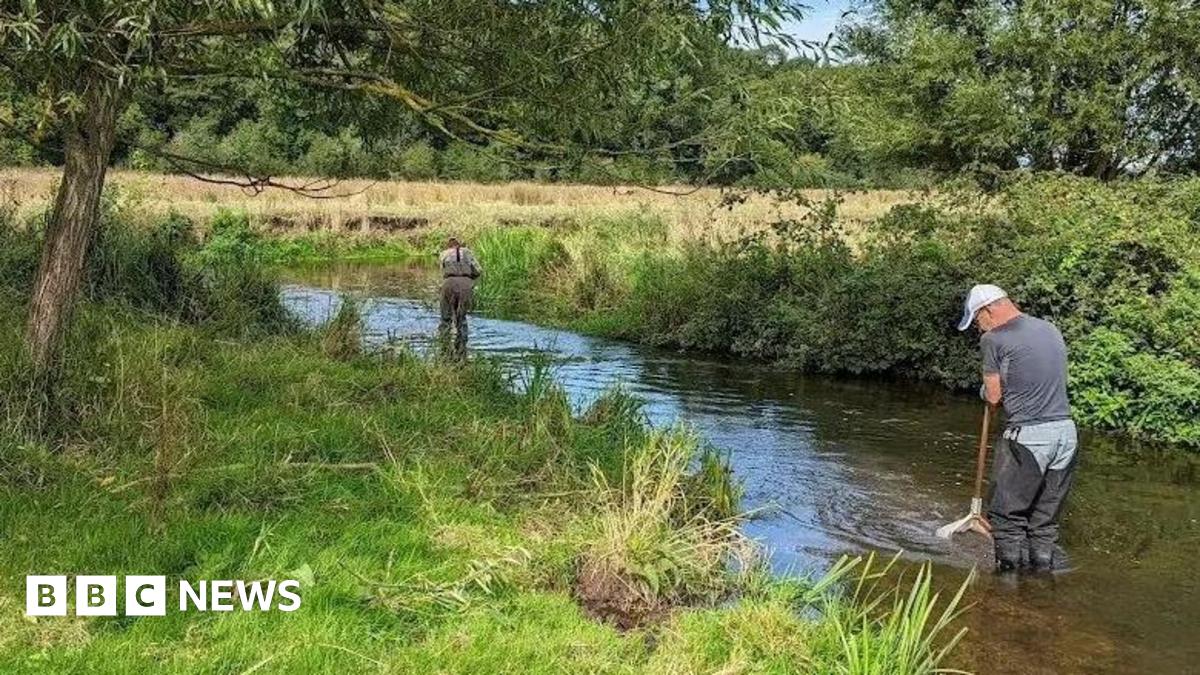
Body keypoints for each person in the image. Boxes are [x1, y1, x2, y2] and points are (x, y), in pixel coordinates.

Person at [957, 284, 1077, 573]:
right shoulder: (1049, 329)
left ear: (988, 310)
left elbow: (994, 396)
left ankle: (1005, 589)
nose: (978, 328)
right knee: (1043, 520)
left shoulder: (993, 339)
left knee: (1006, 518)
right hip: (1066, 434)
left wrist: (983, 393)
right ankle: (1041, 587)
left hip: (1029, 437)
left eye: (977, 320)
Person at [438, 237, 482, 357]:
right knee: (461, 318)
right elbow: (478, 271)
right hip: (466, 284)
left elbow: (442, 272)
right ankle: (462, 348)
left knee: (445, 318)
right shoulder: (468, 252)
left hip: (449, 282)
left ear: (448, 246)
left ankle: (444, 346)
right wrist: (467, 278)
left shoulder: (443, 254)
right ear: (459, 245)